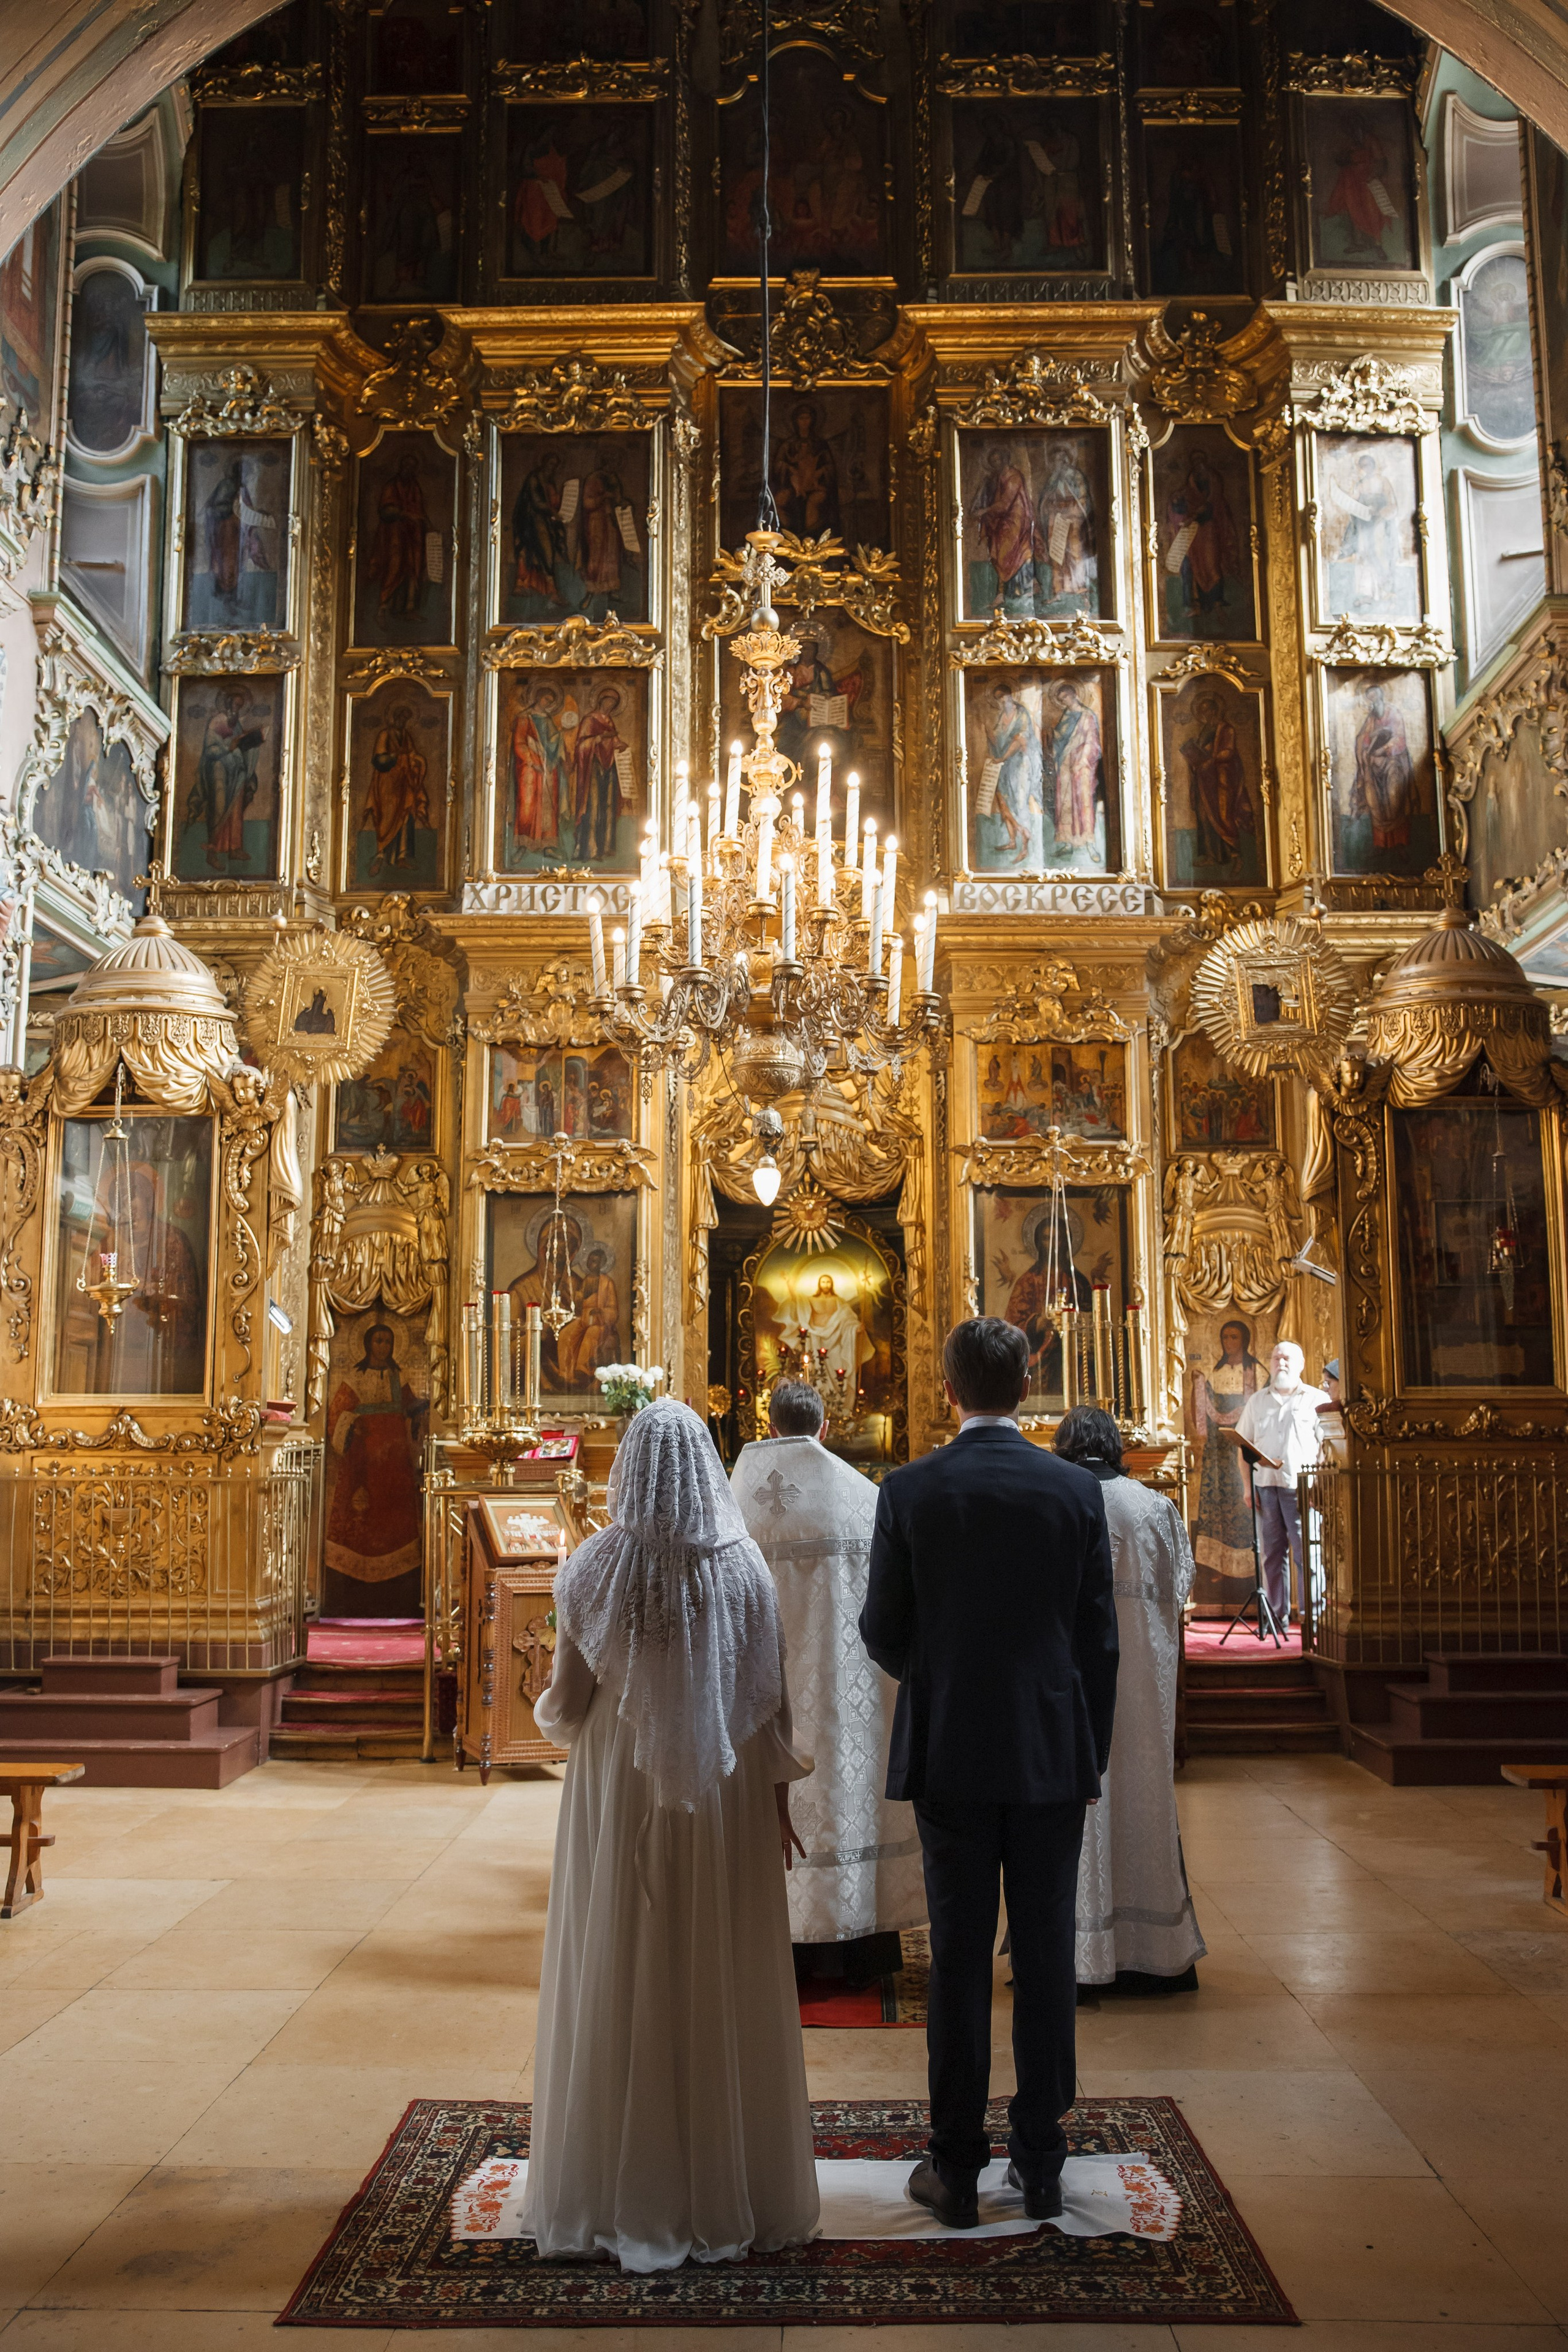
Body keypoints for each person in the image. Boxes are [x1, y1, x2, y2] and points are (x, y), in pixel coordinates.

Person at [522, 1400, 820, 2270]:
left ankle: (612, 2187)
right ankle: (731, 2184)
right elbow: (771, 1713)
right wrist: (780, 1805)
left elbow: (567, 1706)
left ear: (629, 1469)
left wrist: (609, 1710)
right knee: (716, 1962)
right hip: (724, 1789)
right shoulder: (745, 1569)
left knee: (618, 1954)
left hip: (619, 1785)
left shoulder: (588, 1571)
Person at [859, 1316, 1118, 2229]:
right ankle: (1042, 2161)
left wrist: (941, 1676)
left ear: (946, 1388)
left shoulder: (912, 1488)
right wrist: (1089, 1748)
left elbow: (879, 1628)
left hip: (951, 1751)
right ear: (1025, 1389)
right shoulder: (1073, 1491)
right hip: (1052, 1753)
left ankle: (957, 2167)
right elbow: (1099, 1640)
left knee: (959, 1961)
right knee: (1045, 1959)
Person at [731, 1379, 925, 1980]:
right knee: (843, 1793)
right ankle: (851, 1939)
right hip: (844, 1702)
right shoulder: (861, 1498)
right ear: (823, 1428)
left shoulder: (726, 1499)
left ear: (768, 1426)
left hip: (753, 1700)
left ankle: (762, 1934)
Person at [1054, 1405, 1205, 1995]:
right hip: (1143, 1684)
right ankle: (1153, 1951)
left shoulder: (1057, 1502)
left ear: (1065, 1446)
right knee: (1143, 1796)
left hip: (1073, 1685)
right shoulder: (1155, 1508)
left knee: (1078, 1812)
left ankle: (1081, 1951)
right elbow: (1182, 1585)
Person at [1234, 1340, 1330, 1627]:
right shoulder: (1258, 1401)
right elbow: (1244, 1447)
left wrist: (1320, 1486)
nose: (1281, 1364)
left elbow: (1327, 1447)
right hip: (1266, 1486)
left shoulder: (1315, 1400)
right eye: (1277, 1358)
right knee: (1272, 1555)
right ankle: (1277, 1616)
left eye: (1287, 1359)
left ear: (1300, 1364)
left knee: (1308, 1552)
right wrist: (1247, 1487)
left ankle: (1313, 1616)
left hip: (1302, 1488)